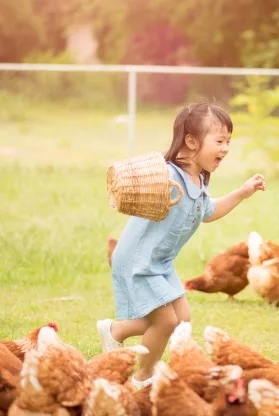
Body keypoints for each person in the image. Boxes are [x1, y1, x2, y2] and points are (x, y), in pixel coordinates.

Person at [98, 101, 266, 389]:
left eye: (228, 141)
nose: (225, 148)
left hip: (160, 262)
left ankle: (115, 330)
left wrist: (241, 193)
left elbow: (208, 212)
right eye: (219, 141)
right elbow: (146, 180)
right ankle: (143, 378)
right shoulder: (169, 176)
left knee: (182, 319)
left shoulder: (198, 180)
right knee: (165, 321)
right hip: (140, 260)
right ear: (191, 141)